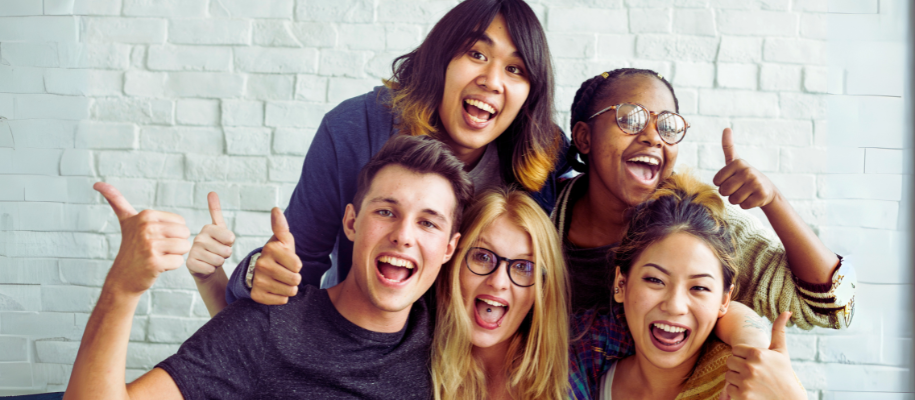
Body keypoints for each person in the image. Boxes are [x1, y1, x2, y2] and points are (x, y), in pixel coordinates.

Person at [184, 0, 568, 313]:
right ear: (441, 60)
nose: (492, 80)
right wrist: (251, 273)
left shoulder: (542, 153)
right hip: (367, 340)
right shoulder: (355, 128)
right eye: (476, 53)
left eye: (515, 69)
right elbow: (295, 263)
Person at [63, 135, 474, 399]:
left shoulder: (451, 343)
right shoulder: (269, 324)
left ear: (449, 248)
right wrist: (122, 288)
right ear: (351, 222)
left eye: (428, 222)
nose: (404, 235)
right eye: (386, 211)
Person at [559, 68, 856, 399]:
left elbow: (836, 306)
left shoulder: (698, 223)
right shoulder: (543, 213)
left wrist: (773, 201)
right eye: (630, 119)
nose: (653, 137)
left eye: (667, 126)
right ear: (584, 137)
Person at [585, 172, 806, 399]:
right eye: (655, 280)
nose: (675, 306)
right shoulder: (583, 375)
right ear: (621, 283)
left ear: (724, 300)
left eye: (699, 287)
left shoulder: (751, 388)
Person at [431, 188, 569, 400]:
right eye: (483, 257)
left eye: (524, 267)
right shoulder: (412, 370)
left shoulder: (571, 383)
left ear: (543, 289)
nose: (498, 282)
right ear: (452, 262)